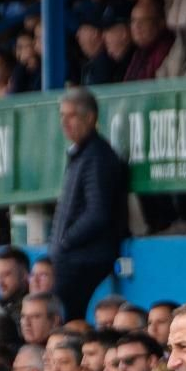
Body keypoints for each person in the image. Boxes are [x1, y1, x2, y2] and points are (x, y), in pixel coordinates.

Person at [49, 89, 127, 322]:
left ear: (90, 118)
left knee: (63, 321)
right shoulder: (81, 154)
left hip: (83, 259)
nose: (65, 122)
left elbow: (97, 212)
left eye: (71, 115)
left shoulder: (97, 157)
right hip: (74, 257)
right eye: (62, 115)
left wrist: (66, 241)